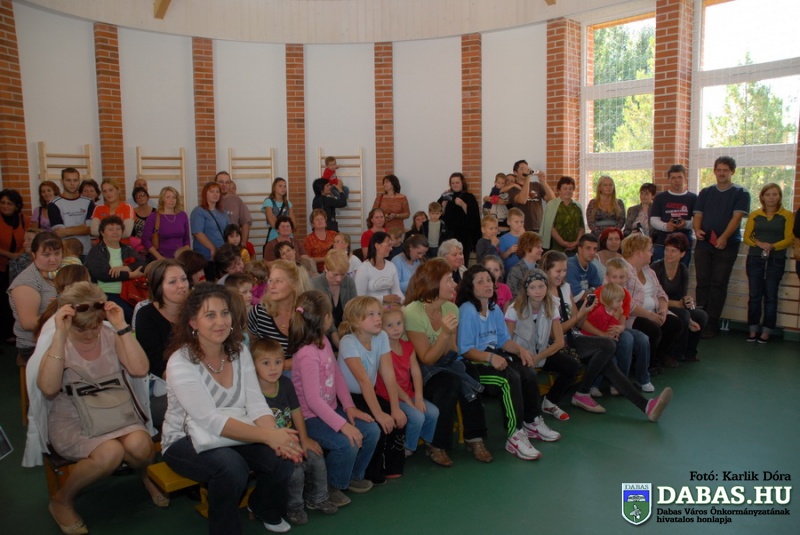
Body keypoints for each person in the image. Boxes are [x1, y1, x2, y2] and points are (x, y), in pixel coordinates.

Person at [161, 283, 301, 535]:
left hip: (234, 430)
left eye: (225, 313)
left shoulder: (239, 351)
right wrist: (268, 436)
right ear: (193, 322)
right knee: (231, 467)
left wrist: (276, 436)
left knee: (281, 455)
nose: (220, 322)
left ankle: (264, 507)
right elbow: (210, 420)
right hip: (185, 440)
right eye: (210, 315)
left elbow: (256, 403)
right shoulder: (180, 362)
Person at [33, 282, 162, 535]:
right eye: (82, 329)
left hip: (115, 408)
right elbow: (48, 388)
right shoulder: (57, 340)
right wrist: (60, 336)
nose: (90, 333)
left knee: (141, 446)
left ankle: (145, 475)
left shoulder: (110, 333)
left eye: (95, 325)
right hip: (73, 417)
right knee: (110, 453)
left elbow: (140, 369)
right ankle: (62, 500)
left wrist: (121, 327)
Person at [540, 250, 673, 420]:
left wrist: (586, 313)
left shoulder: (565, 288)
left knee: (609, 359)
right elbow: (557, 332)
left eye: (564, 270)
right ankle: (583, 392)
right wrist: (581, 316)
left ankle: (646, 406)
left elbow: (578, 321)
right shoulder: (543, 294)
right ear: (547, 270)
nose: (562, 274)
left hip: (574, 337)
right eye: (558, 271)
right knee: (608, 346)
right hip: (557, 342)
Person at [456, 265, 560, 460]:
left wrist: (521, 350)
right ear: (470, 287)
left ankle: (532, 421)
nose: (487, 284)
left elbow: (504, 340)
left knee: (527, 371)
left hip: (494, 356)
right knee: (508, 379)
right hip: (474, 363)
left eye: (489, 280)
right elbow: (465, 350)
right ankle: (514, 434)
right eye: (480, 281)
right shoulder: (467, 310)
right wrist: (490, 358)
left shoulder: (494, 308)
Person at [289, 290, 379, 501]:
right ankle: (331, 484)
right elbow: (313, 401)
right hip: (311, 419)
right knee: (347, 442)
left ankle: (353, 475)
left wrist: (349, 407)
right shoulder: (307, 354)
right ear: (326, 317)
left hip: (331, 410)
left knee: (371, 430)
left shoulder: (323, 341)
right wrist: (342, 425)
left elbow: (336, 374)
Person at [403, 258, 490, 465]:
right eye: (449, 280)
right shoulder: (412, 312)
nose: (455, 284)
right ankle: (437, 444)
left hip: (443, 361)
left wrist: (447, 337)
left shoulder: (451, 308)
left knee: (470, 372)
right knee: (449, 383)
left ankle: (475, 437)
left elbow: (453, 350)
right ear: (433, 283)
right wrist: (444, 334)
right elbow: (426, 358)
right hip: (417, 370)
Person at [252, 338, 339, 526]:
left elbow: (296, 411)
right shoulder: (253, 391)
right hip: (271, 443)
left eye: (278, 362)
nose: (273, 368)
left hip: (293, 438)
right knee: (296, 469)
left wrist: (305, 438)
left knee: (316, 456)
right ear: (253, 366)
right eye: (266, 363)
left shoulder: (285, 383)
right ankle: (294, 507)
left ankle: (318, 498)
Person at [338, 296, 407, 481]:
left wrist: (395, 408)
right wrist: (378, 414)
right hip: (349, 398)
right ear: (356, 322)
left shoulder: (381, 336)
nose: (378, 318)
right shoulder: (348, 342)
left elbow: (388, 373)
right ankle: (368, 473)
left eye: (379, 314)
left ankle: (391, 467)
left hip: (369, 393)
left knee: (398, 418)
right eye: (371, 315)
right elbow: (363, 380)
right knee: (377, 425)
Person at [505, 269, 577, 422]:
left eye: (541, 286)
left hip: (540, 353)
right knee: (528, 375)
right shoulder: (514, 309)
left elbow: (559, 342)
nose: (537, 291)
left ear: (547, 287)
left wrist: (538, 358)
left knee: (572, 366)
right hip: (520, 354)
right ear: (526, 290)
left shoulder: (552, 306)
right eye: (532, 287)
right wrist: (523, 354)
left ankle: (550, 402)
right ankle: (531, 417)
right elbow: (507, 341)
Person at [693, 156, 750, 338]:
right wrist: (697, 230)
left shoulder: (741, 193)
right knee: (702, 283)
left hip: (727, 245)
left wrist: (724, 237)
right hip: (704, 244)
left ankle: (712, 325)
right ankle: (699, 321)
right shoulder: (706, 192)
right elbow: (698, 215)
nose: (722, 173)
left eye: (726, 170)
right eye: (719, 170)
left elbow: (736, 218)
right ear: (714, 171)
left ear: (732, 172)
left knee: (718, 284)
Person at [133, 259, 189, 430]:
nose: (181, 285)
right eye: (173, 282)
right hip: (164, 389)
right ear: (158, 286)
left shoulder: (197, 309)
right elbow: (156, 364)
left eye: (184, 279)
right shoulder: (146, 315)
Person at [378, 304, 439, 459]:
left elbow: (416, 372)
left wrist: (418, 397)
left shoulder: (408, 346)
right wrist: (408, 400)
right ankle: (407, 448)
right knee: (418, 417)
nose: (396, 328)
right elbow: (390, 381)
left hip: (408, 393)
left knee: (433, 412)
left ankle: (427, 441)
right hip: (390, 396)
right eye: (389, 325)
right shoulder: (382, 350)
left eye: (399, 323)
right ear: (381, 328)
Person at [621, 234, 685, 371]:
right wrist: (649, 315)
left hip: (653, 312)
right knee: (653, 329)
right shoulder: (621, 271)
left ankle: (656, 358)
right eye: (649, 250)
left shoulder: (649, 271)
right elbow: (623, 303)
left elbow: (661, 293)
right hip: (631, 316)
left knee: (675, 324)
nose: (652, 253)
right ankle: (645, 365)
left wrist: (663, 310)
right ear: (639, 253)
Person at [742, 183, 795, 343]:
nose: (771, 198)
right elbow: (747, 237)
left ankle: (767, 331)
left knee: (771, 296)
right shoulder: (755, 214)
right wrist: (759, 244)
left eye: (774, 194)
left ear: (779, 196)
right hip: (755, 258)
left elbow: (789, 238)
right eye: (768, 194)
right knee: (754, 295)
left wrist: (773, 246)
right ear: (762, 197)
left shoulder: (787, 215)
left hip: (776, 259)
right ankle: (753, 329)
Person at [650, 233, 708, 361]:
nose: (669, 254)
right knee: (684, 315)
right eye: (667, 250)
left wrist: (687, 301)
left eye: (673, 251)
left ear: (682, 254)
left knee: (701, 316)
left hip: (677, 305)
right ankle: (673, 353)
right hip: (660, 306)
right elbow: (653, 297)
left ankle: (690, 352)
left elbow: (682, 295)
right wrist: (677, 304)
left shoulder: (683, 269)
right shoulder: (655, 269)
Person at [9, 232, 61, 367]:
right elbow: (28, 323)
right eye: (46, 255)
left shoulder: (59, 272)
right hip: (35, 345)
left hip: (58, 337)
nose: (53, 259)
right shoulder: (27, 282)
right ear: (34, 255)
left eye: (57, 253)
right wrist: (64, 318)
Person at [248, 259, 312, 368]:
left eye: (278, 281)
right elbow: (251, 345)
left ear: (294, 284)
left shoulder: (307, 314)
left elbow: (313, 352)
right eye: (270, 280)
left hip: (301, 370)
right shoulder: (259, 313)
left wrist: (283, 365)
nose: (271, 286)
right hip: (267, 371)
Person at [85, 215, 147, 323]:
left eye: (118, 229)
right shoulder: (96, 251)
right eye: (110, 229)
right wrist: (130, 275)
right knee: (131, 315)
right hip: (107, 294)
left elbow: (143, 264)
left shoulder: (127, 249)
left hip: (129, 293)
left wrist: (126, 267)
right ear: (102, 232)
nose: (115, 232)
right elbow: (103, 274)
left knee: (145, 313)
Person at [650, 164, 696, 264]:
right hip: (662, 242)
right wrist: (666, 226)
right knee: (659, 271)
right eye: (673, 178)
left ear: (685, 178)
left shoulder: (693, 198)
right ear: (669, 180)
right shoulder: (660, 198)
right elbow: (653, 219)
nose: (677, 180)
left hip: (684, 243)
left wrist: (686, 224)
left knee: (682, 271)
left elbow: (698, 220)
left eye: (680, 177)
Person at [311, 250, 357, 347]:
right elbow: (320, 317)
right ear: (325, 268)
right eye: (335, 274)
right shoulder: (314, 285)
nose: (339, 279)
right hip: (322, 335)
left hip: (346, 333)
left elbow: (354, 311)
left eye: (343, 274)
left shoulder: (349, 282)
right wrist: (338, 341)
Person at [0, 189, 29, 341]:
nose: (5, 206)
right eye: (2, 203)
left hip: (19, 267)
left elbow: (30, 238)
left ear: (16, 206)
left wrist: (20, 254)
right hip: (1, 265)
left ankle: (12, 333)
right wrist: (10, 255)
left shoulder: (23, 219)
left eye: (9, 203)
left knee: (14, 299)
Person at [48, 168, 95, 256]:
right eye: (68, 180)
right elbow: (59, 233)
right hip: (65, 253)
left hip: (86, 252)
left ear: (79, 181)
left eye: (75, 180)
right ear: (62, 181)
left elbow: (91, 229)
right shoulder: (53, 204)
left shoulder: (88, 202)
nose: (72, 184)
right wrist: (82, 227)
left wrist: (67, 230)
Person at [438, 172, 481, 265]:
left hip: (464, 236)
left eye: (457, 182)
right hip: (448, 235)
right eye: (453, 183)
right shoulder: (446, 196)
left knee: (461, 262)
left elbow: (474, 217)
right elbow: (437, 216)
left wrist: (463, 205)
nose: (455, 185)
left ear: (462, 183)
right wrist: (443, 206)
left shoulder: (469, 197)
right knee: (446, 261)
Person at [191, 182, 230, 279]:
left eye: (217, 191)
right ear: (205, 194)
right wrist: (212, 248)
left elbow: (228, 230)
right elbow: (198, 233)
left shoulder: (222, 212)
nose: (215, 194)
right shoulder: (199, 211)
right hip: (206, 255)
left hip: (221, 254)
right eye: (212, 191)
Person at [142, 187, 191, 260]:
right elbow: (145, 240)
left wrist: (185, 253)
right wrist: (159, 257)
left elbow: (186, 238)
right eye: (168, 197)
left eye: (174, 197)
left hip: (180, 259)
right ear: (162, 199)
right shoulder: (153, 216)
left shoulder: (182, 215)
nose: (171, 200)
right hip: (161, 258)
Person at [506, 161, 555, 232]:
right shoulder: (513, 188)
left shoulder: (536, 185)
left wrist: (543, 182)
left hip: (538, 227)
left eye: (527, 168)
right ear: (515, 172)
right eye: (522, 169)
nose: (525, 171)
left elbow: (552, 200)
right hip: (522, 228)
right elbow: (522, 200)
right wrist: (528, 177)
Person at [355, 231, 403, 303]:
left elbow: (397, 291)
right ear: (377, 245)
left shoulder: (391, 266)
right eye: (388, 245)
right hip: (370, 307)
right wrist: (383, 298)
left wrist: (404, 302)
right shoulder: (363, 268)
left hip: (390, 306)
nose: (391, 248)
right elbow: (360, 297)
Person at [541, 176, 584, 255]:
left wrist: (577, 242)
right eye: (565, 188)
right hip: (556, 247)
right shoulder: (551, 205)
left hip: (575, 247)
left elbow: (581, 227)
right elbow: (550, 227)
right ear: (559, 190)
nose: (568, 191)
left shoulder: (577, 206)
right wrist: (563, 243)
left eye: (570, 188)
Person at [215, 171, 253, 246]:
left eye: (227, 182)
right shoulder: (211, 201)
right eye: (221, 182)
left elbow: (245, 222)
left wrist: (243, 243)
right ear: (215, 183)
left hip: (233, 246)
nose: (224, 185)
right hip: (215, 245)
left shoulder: (236, 200)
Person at [565, 234, 603, 302]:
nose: (592, 252)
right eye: (588, 248)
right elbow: (576, 296)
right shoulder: (570, 266)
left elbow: (600, 290)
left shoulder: (592, 267)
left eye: (595, 249)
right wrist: (593, 290)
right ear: (579, 249)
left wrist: (591, 292)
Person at [505, 231, 543, 297]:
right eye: (538, 247)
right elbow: (512, 296)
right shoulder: (515, 271)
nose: (541, 250)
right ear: (527, 248)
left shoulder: (541, 269)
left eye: (541, 247)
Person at [262, 178, 295, 242]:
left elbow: (294, 224)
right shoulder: (268, 202)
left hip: (288, 235)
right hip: (275, 235)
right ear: (274, 188)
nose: (283, 188)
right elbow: (273, 224)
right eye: (280, 186)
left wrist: (276, 220)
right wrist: (286, 225)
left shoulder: (288, 203)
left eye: (285, 186)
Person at [498, 208, 526, 272]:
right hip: (509, 271)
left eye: (522, 222)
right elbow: (501, 257)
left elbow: (531, 251)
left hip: (524, 270)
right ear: (509, 222)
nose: (520, 224)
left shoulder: (527, 236)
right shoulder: (503, 238)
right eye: (516, 222)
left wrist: (524, 236)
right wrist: (509, 251)